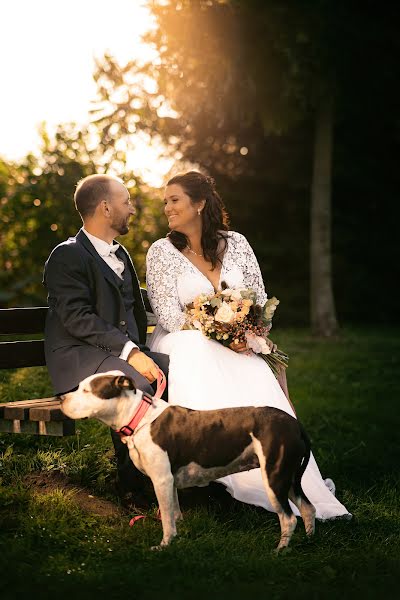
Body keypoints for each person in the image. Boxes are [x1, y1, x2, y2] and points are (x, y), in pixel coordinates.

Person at [146, 171, 351, 520]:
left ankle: (288, 472)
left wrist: (249, 332)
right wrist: (218, 332)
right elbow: (167, 314)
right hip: (183, 340)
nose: (167, 207)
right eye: (165, 201)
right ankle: (225, 463)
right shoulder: (161, 252)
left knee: (255, 361)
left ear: (199, 203)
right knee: (199, 348)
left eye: (174, 200)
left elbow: (257, 298)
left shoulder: (237, 243)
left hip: (239, 340)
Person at [43, 174, 169, 503]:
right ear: (106, 207)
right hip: (78, 356)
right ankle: (133, 487)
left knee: (184, 371)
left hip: (115, 353)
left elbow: (131, 302)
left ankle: (185, 475)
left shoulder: (120, 253)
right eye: (126, 201)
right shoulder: (66, 255)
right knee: (136, 387)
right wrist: (131, 353)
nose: (132, 209)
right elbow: (77, 318)